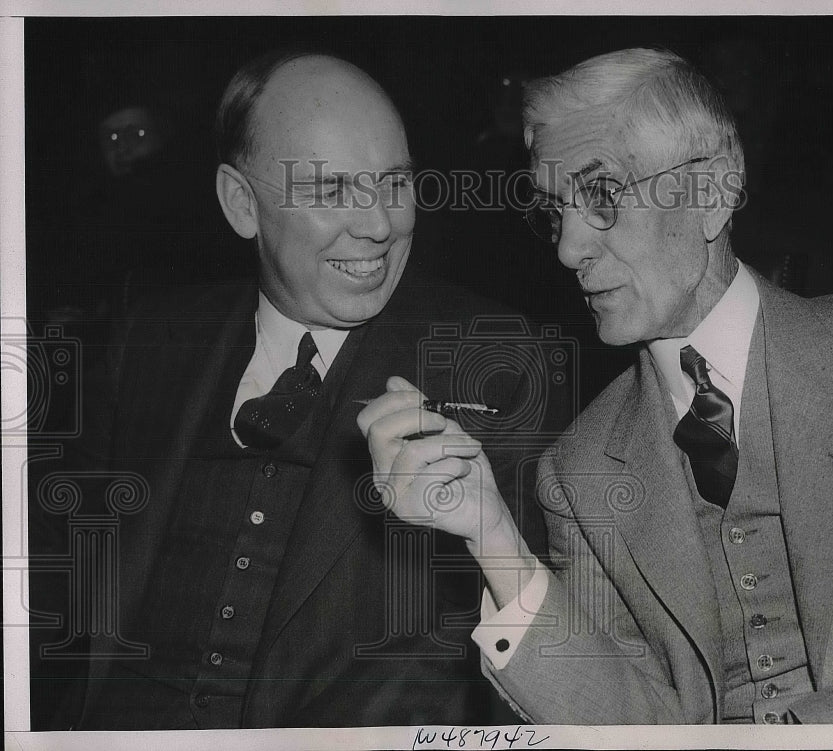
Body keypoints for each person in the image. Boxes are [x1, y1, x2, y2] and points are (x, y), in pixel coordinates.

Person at [359, 47, 833, 724]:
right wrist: (491, 533)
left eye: (603, 194)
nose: (567, 248)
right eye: (554, 212)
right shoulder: (579, 473)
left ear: (714, 191)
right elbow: (632, 728)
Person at [29, 48, 564, 729]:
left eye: (394, 184)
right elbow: (52, 557)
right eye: (332, 189)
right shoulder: (152, 337)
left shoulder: (488, 355)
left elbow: (523, 633)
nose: (379, 225)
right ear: (241, 203)